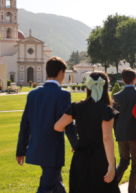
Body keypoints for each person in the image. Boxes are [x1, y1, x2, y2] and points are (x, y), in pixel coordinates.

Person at [16, 56, 78, 193]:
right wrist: (77, 145)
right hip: (53, 151)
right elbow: (68, 123)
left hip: (36, 148)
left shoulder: (33, 94)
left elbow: (25, 123)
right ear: (61, 72)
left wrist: (21, 150)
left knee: (57, 185)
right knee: (46, 188)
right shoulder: (63, 95)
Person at [54, 71, 120, 193]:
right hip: (100, 158)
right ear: (105, 88)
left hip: (81, 156)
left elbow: (58, 126)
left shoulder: (77, 106)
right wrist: (111, 165)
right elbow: (107, 138)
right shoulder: (106, 109)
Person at [113, 68, 136, 193]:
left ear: (122, 80)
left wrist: (117, 132)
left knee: (123, 162)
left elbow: (114, 118)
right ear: (135, 79)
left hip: (121, 134)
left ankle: (109, 187)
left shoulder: (116, 96)